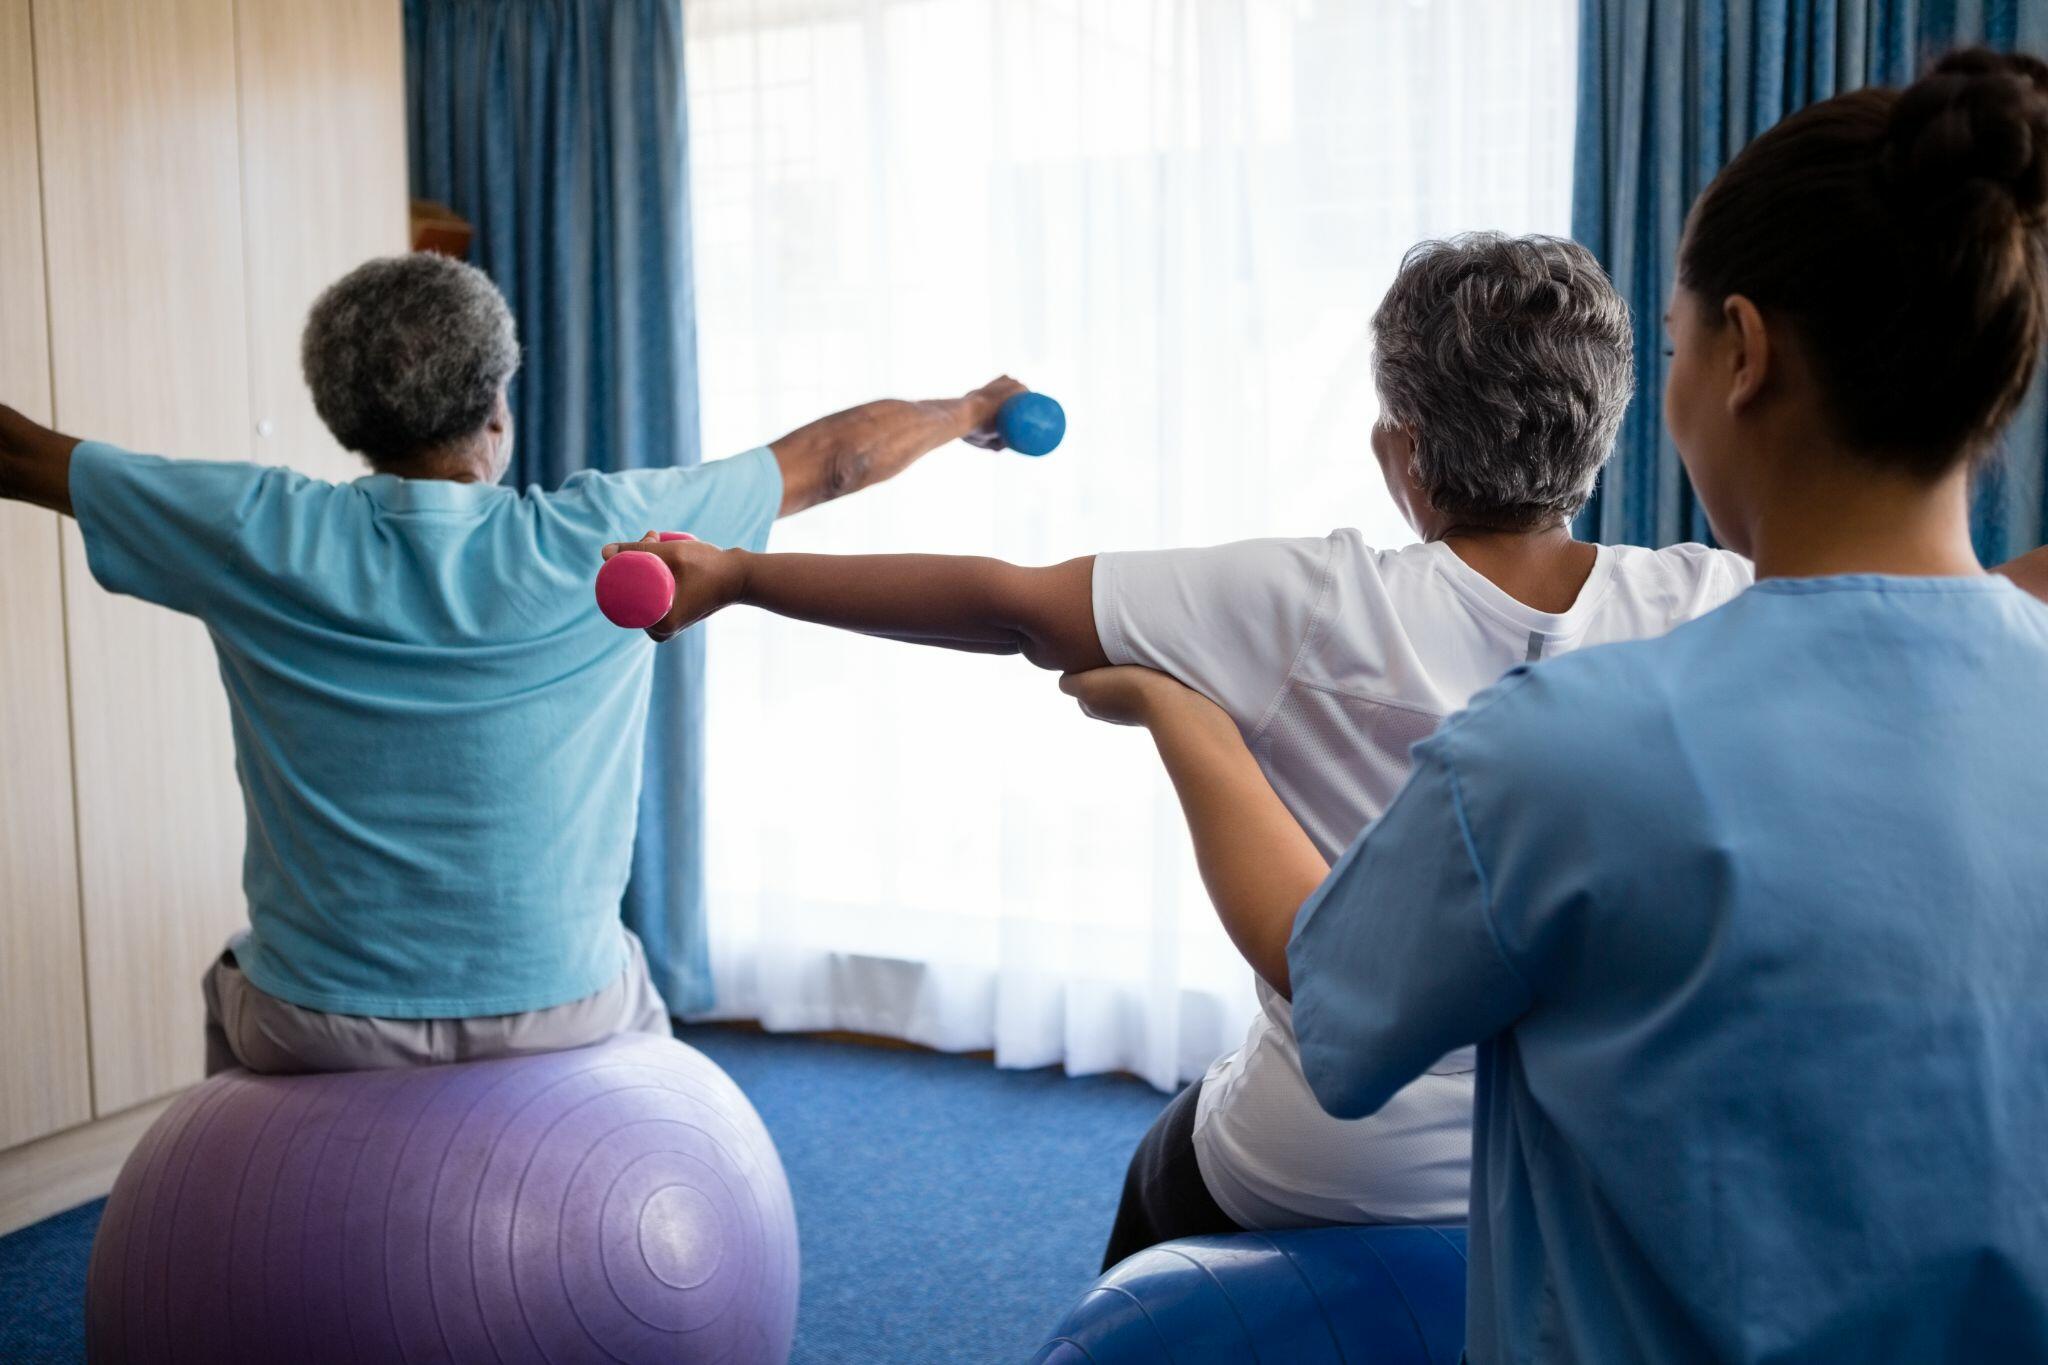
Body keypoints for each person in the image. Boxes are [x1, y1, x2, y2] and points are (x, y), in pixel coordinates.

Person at [1064, 48, 2048, 1362]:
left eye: (1687, 339)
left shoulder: (1559, 743)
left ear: (1742, 356)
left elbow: (1335, 1001)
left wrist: (1186, 720)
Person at [607, 232, 1763, 1266]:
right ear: (1605, 431)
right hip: (1592, 1167)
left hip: (1330, 1163)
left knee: (1165, 1162)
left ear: (1399, 451)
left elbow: (1004, 602)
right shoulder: (1715, 602)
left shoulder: (1309, 600)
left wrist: (743, 577)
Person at [0, 251, 1025, 1075]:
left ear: (343, 420)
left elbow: (21, 453)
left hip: (321, 1024)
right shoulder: (611, 538)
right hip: (564, 1008)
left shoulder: (252, 531)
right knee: (639, 1017)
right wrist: (973, 410)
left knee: (232, 984)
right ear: (496, 411)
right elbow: (832, 461)